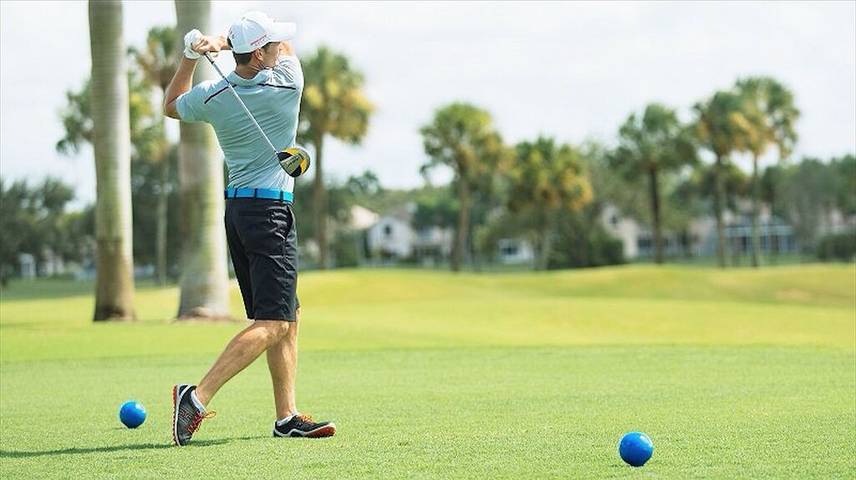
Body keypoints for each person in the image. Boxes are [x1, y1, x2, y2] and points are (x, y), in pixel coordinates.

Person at [163, 11, 335, 446]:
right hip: (271, 215)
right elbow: (288, 51)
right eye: (271, 43)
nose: (280, 47)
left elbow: (171, 104)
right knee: (274, 322)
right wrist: (222, 42)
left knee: (287, 314)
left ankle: (286, 416)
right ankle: (195, 397)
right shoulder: (287, 84)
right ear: (259, 53)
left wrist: (192, 54)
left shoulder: (215, 94)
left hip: (239, 214)